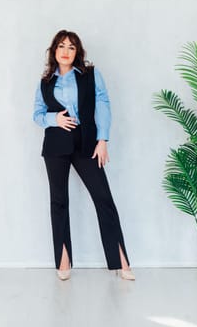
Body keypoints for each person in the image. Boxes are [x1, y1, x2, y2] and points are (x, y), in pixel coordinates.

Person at [33, 30, 135, 281]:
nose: (65, 51)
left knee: (103, 199)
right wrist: (53, 119)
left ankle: (121, 262)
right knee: (59, 202)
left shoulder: (90, 75)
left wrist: (103, 140)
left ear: (77, 52)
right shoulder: (45, 82)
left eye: (71, 47)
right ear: (54, 51)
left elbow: (103, 104)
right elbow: (37, 114)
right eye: (61, 46)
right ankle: (63, 260)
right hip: (55, 146)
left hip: (87, 143)